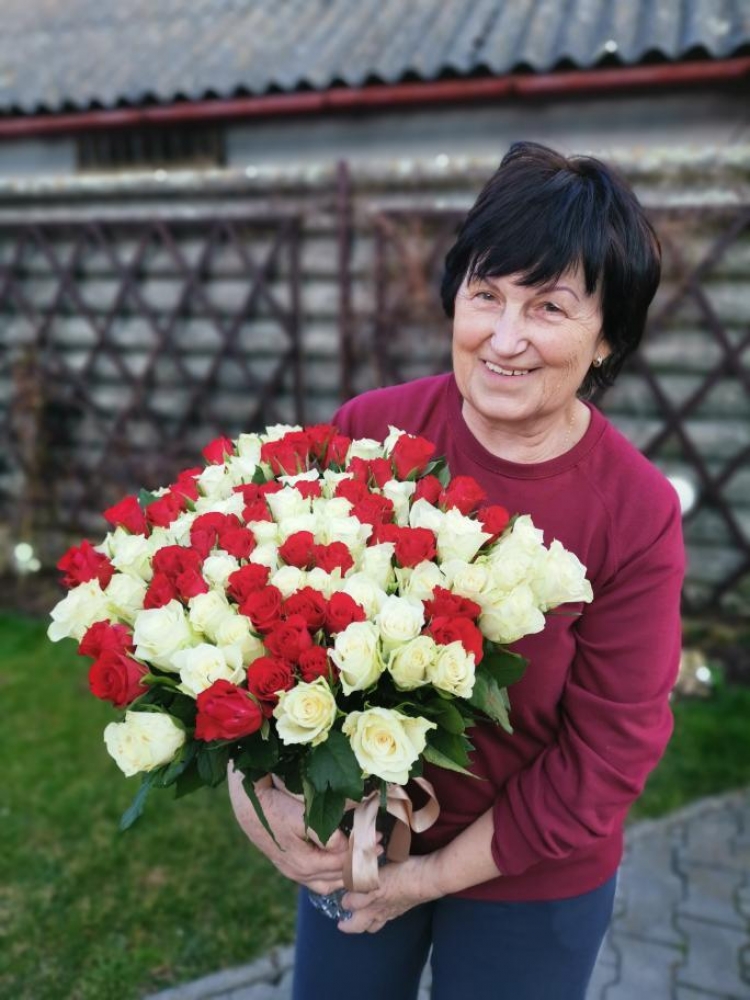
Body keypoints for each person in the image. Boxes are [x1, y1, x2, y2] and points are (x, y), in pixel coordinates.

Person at [227, 141, 685, 1000]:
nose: (504, 338)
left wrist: (427, 881)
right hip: (359, 837)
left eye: (549, 307)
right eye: (486, 295)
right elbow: (259, 636)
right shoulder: (372, 435)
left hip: (531, 868)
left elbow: (610, 751)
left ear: (607, 339)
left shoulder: (634, 510)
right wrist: (261, 797)